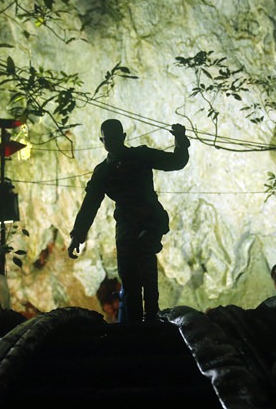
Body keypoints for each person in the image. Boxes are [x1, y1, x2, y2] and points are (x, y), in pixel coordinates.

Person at [68, 119, 190, 322]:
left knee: (146, 266)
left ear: (123, 137)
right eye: (108, 139)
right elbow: (90, 205)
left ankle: (151, 317)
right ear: (102, 140)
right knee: (129, 275)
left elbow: (176, 162)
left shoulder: (140, 155)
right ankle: (134, 326)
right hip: (126, 225)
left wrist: (180, 140)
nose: (113, 142)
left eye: (116, 138)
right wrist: (77, 235)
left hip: (149, 219)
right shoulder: (103, 172)